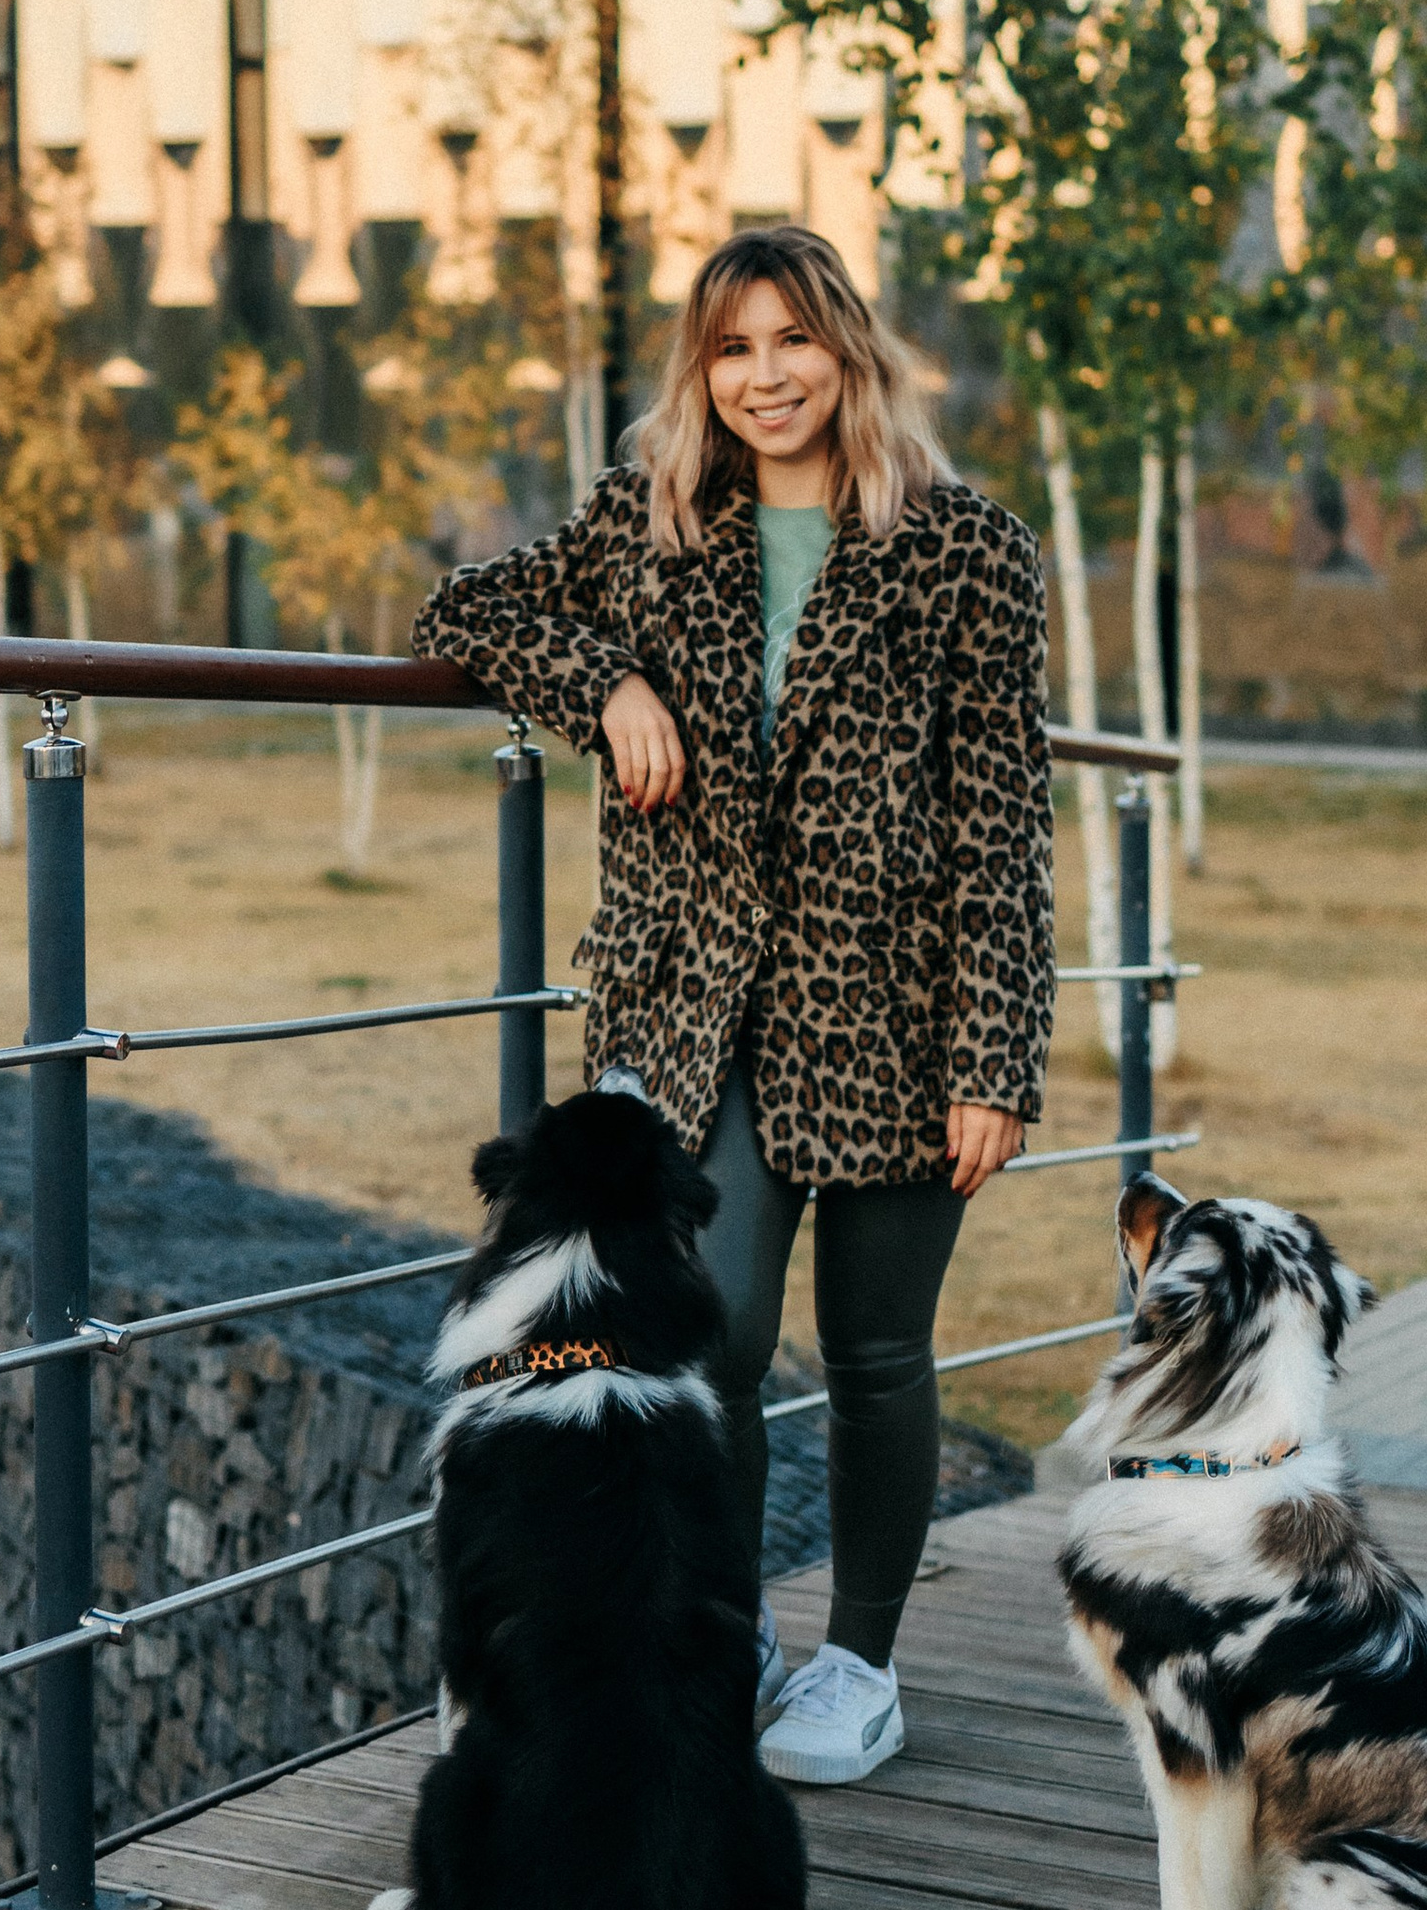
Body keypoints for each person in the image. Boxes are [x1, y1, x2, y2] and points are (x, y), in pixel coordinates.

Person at [409, 224, 1055, 1784]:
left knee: (880, 1351)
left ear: (849, 352)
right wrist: (604, 687)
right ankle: (726, 1623)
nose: (766, 376)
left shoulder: (968, 547)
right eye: (733, 347)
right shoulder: (650, 523)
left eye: (795, 342)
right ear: (702, 369)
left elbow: (1003, 821)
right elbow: (463, 611)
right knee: (715, 1337)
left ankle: (863, 1663)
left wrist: (998, 1056)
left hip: (896, 1008)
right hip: (692, 1007)